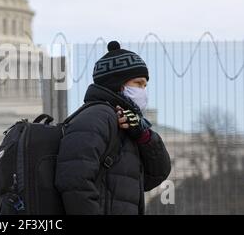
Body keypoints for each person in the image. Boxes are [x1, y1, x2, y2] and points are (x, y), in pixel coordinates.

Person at [55, 40, 171, 215]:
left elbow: (154, 176)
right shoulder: (96, 118)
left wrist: (143, 136)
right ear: (118, 83)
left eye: (145, 85)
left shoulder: (128, 123)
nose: (144, 91)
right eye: (138, 84)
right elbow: (74, 182)